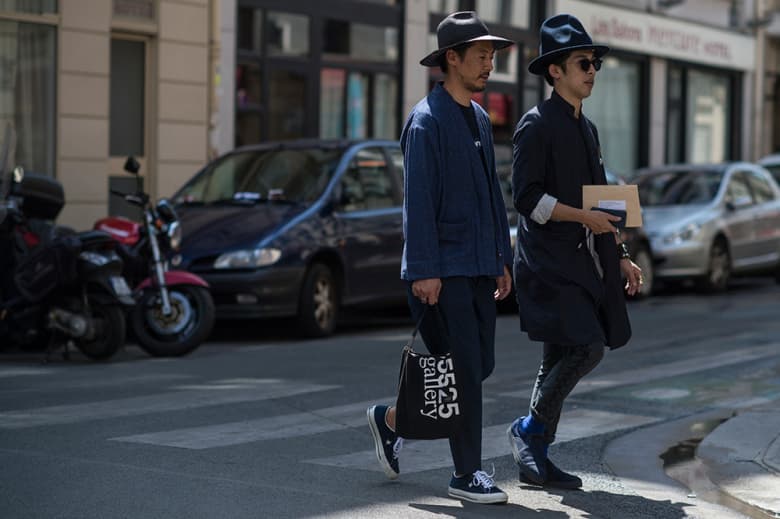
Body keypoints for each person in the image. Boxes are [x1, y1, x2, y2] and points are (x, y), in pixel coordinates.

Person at [366, 11, 514, 505]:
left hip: (477, 267)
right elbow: (418, 203)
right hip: (441, 272)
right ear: (451, 59)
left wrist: (501, 257)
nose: (489, 64)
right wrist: (425, 270)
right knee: (466, 372)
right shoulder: (426, 121)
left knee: (478, 365)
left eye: (492, 55)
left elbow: (492, 195)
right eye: (480, 55)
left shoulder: (476, 115)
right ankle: (466, 474)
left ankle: (391, 421)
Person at [507, 13, 643, 490]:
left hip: (584, 262)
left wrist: (622, 252)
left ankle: (535, 459)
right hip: (548, 265)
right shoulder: (535, 125)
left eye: (595, 63)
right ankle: (527, 432)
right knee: (587, 347)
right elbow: (525, 199)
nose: (591, 70)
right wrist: (581, 217)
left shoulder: (588, 128)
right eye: (583, 63)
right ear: (555, 71)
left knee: (560, 355)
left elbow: (602, 200)